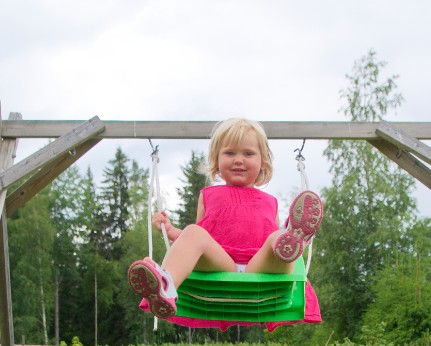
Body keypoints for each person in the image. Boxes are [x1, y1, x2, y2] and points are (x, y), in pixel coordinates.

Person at [127, 118, 322, 329]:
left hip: (258, 267)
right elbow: (200, 239)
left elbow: (268, 239)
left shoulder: (271, 202)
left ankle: (293, 237)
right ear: (216, 160)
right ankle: (165, 287)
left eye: (248, 153)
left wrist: (281, 240)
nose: (239, 160)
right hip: (222, 263)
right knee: (194, 231)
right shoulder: (208, 195)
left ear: (263, 162)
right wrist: (171, 230)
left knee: (276, 238)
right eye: (230, 153)